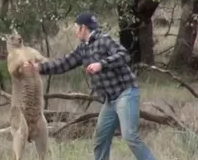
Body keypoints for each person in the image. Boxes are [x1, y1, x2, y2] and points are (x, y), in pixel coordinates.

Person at [25, 12, 156, 160]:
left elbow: (123, 55)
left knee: (130, 136)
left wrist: (101, 64)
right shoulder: (83, 48)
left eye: (76, 28)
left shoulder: (104, 40)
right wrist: (40, 68)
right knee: (100, 140)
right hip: (110, 100)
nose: (75, 31)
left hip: (126, 93)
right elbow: (63, 63)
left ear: (83, 28)